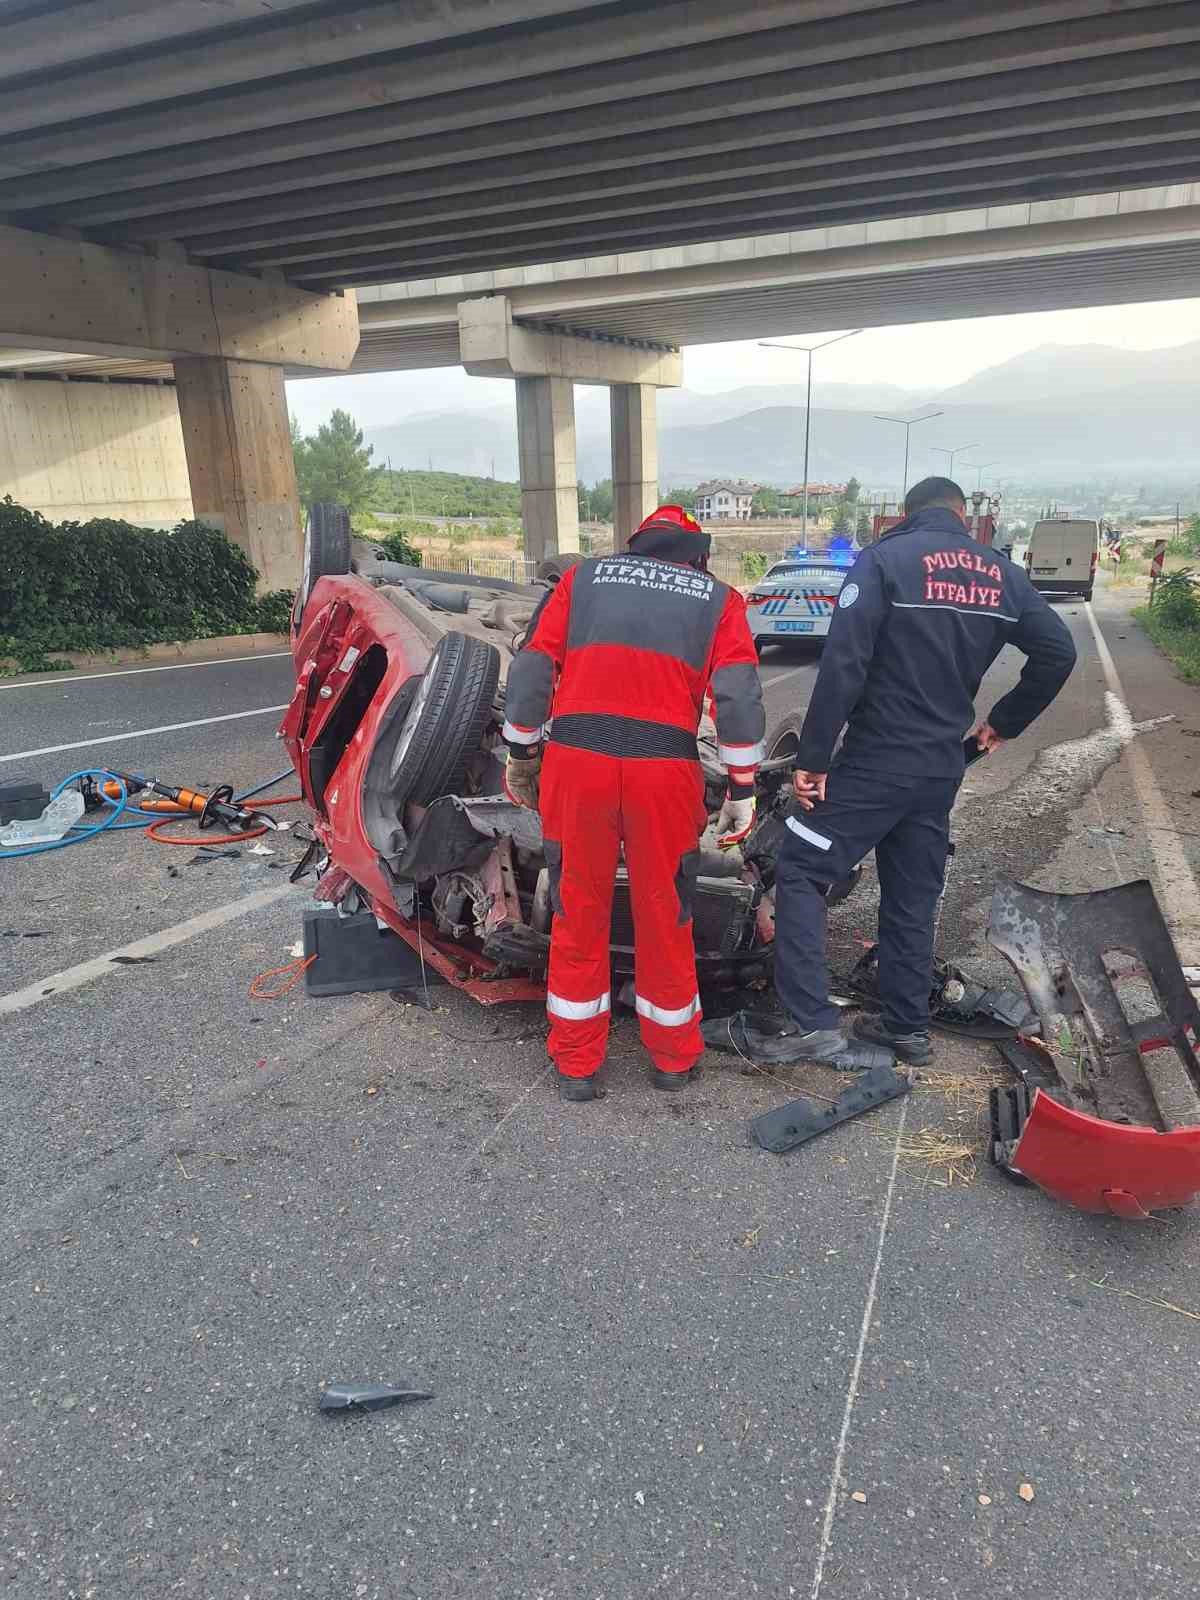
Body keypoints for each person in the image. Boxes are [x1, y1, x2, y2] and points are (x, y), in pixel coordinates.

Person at [724, 476, 1077, 1071]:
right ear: (962, 515)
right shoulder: (1001, 573)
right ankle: (906, 1027)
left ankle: (812, 1024)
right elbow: (1058, 652)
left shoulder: (883, 560)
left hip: (876, 760)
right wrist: (1004, 722)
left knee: (803, 869)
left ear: (907, 515)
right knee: (913, 894)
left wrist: (812, 761)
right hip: (940, 767)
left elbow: (844, 665)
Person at [502, 505, 766, 1101]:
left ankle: (576, 1065)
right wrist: (742, 787)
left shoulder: (581, 580)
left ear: (637, 546)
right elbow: (738, 695)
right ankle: (673, 1058)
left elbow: (532, 669)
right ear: (694, 553)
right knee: (664, 910)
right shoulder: (718, 600)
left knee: (577, 907)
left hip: (578, 764)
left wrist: (521, 754)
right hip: (664, 771)